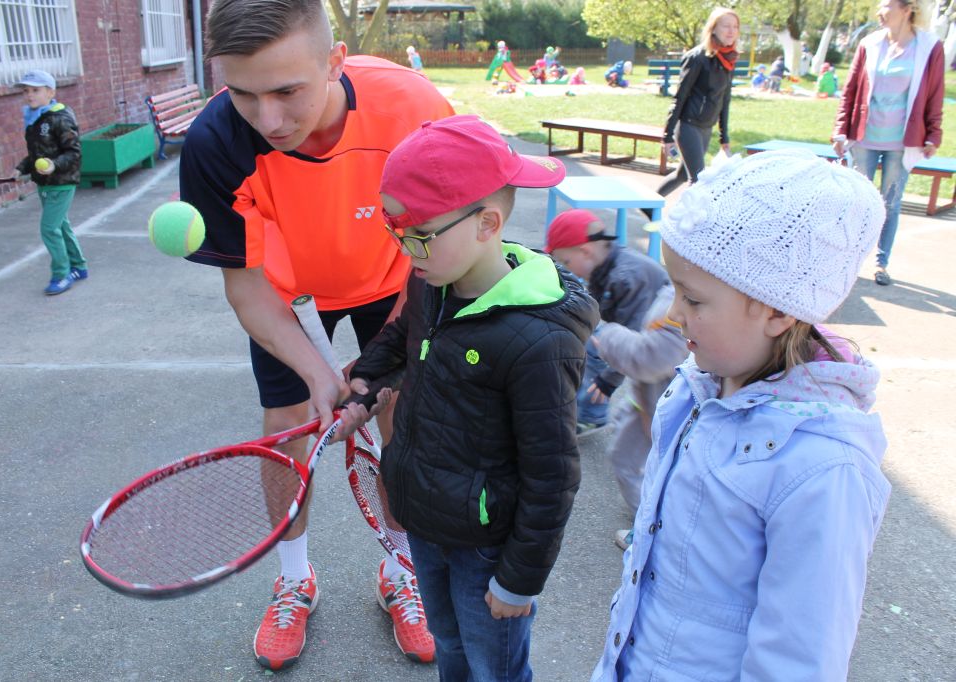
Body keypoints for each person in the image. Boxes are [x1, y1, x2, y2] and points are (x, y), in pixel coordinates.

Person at [179, 0, 453, 670]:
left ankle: (402, 571)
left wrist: (378, 366)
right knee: (288, 426)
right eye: (242, 93)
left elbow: (444, 257)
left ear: (334, 62)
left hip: (394, 277)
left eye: (286, 91)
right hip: (289, 291)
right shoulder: (216, 140)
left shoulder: (413, 108)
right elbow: (245, 287)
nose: (267, 120)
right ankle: (294, 579)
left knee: (398, 415)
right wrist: (317, 373)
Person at [591, 149, 891, 680]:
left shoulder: (822, 470)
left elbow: (800, 660)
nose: (672, 315)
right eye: (672, 289)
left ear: (776, 309)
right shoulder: (693, 388)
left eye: (693, 299)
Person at [338, 114, 599, 681]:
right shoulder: (432, 279)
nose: (408, 251)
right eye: (396, 233)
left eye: (419, 235)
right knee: (449, 649)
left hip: (488, 550)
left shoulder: (539, 341)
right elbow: (401, 340)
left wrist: (519, 579)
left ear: (487, 223)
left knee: (494, 668)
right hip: (426, 520)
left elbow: (553, 474)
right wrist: (366, 386)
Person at [543, 209, 688, 540]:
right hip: (650, 387)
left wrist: (609, 379)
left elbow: (641, 350)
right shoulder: (609, 268)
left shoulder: (628, 278)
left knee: (661, 459)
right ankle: (648, 514)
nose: (567, 271)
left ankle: (654, 531)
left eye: (565, 261)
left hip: (664, 386)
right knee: (627, 453)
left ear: (585, 251)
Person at [832, 0, 945, 286]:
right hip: (865, 136)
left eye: (886, 6)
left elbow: (935, 93)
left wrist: (933, 133)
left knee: (890, 203)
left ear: (907, 9)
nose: (879, 12)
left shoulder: (929, 47)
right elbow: (851, 90)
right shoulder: (870, 43)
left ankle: (881, 263)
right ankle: (848, 260)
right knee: (859, 203)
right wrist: (840, 129)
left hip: (902, 140)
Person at [14, 69, 87, 296]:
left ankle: (61, 274)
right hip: (44, 184)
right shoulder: (34, 119)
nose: (30, 95)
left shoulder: (60, 118)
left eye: (35, 90)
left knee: (49, 228)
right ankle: (79, 266)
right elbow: (37, 155)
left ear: (51, 92)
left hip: (62, 182)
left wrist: (54, 165)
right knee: (61, 225)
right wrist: (22, 167)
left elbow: (74, 153)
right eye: (26, 91)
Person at [655, 7, 739, 201]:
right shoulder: (697, 57)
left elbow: (725, 100)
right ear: (713, 28)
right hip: (688, 125)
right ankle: (689, 228)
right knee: (699, 180)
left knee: (682, 175)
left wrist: (723, 136)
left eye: (735, 27)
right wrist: (667, 135)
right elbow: (680, 97)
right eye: (726, 26)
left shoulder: (728, 59)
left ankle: (648, 204)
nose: (731, 31)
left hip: (706, 127)